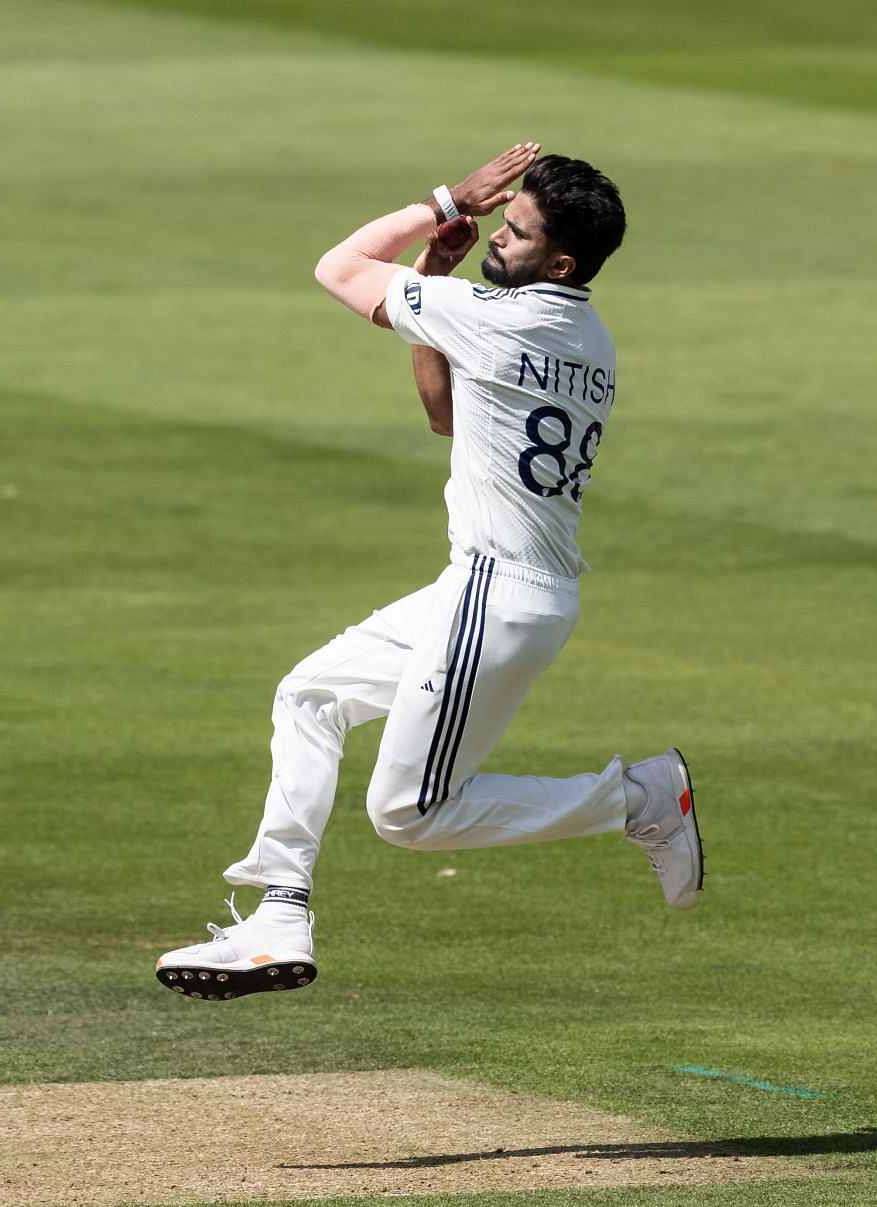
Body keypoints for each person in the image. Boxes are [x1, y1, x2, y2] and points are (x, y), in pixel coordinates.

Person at [156, 143, 702, 1002]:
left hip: (497, 594)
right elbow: (448, 414)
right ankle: (279, 911)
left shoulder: (491, 316)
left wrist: (447, 198)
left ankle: (636, 799)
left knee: (407, 814)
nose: (495, 234)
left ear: (560, 261)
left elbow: (337, 267)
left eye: (514, 232)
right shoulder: (586, 337)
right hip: (490, 592)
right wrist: (434, 273)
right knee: (311, 694)